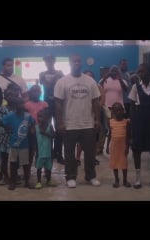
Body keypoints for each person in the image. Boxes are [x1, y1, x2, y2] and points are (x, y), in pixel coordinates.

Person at [54, 54, 101, 188]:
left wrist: (97, 119)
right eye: (74, 61)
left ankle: (90, 176)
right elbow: (58, 104)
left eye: (79, 61)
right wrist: (60, 122)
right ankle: (70, 177)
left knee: (90, 153)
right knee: (69, 153)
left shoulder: (90, 81)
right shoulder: (62, 82)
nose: (77, 63)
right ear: (69, 63)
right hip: (70, 124)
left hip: (88, 123)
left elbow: (96, 101)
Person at [0, 97, 35, 190]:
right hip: (14, 144)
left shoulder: (28, 116)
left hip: (25, 144)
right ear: (15, 106)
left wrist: (31, 130)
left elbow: (32, 124)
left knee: (26, 164)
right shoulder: (11, 116)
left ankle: (27, 181)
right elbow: (1, 121)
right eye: (19, 104)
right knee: (13, 164)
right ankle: (12, 182)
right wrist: (7, 128)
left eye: (22, 103)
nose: (21, 106)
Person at [39, 54, 65, 164]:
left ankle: (58, 153)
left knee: (59, 128)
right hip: (47, 104)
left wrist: (58, 77)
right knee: (47, 128)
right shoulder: (42, 74)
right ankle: (47, 152)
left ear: (54, 61)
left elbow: (63, 85)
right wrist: (56, 78)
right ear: (45, 62)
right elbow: (47, 86)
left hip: (58, 102)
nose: (49, 63)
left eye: (50, 60)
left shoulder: (61, 73)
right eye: (47, 61)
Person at [0, 87, 17, 185]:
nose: (11, 97)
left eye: (13, 95)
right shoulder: (2, 108)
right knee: (4, 157)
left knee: (14, 157)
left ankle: (13, 175)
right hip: (5, 135)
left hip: (15, 135)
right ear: (5, 97)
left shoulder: (18, 108)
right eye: (9, 95)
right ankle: (5, 176)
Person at [108, 102, 131, 188]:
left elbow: (128, 136)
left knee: (124, 164)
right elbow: (110, 135)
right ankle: (116, 180)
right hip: (114, 147)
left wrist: (128, 147)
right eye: (116, 111)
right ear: (113, 112)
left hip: (123, 147)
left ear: (123, 111)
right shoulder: (111, 122)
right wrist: (107, 146)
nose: (118, 112)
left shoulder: (126, 122)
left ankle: (125, 180)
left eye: (120, 110)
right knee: (115, 164)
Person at [35, 109, 56, 189]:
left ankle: (49, 180)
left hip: (48, 152)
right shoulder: (36, 127)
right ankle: (39, 181)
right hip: (39, 152)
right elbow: (34, 140)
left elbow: (54, 136)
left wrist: (46, 134)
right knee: (39, 168)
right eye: (38, 117)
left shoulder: (50, 127)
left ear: (47, 118)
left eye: (41, 117)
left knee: (48, 168)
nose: (39, 118)